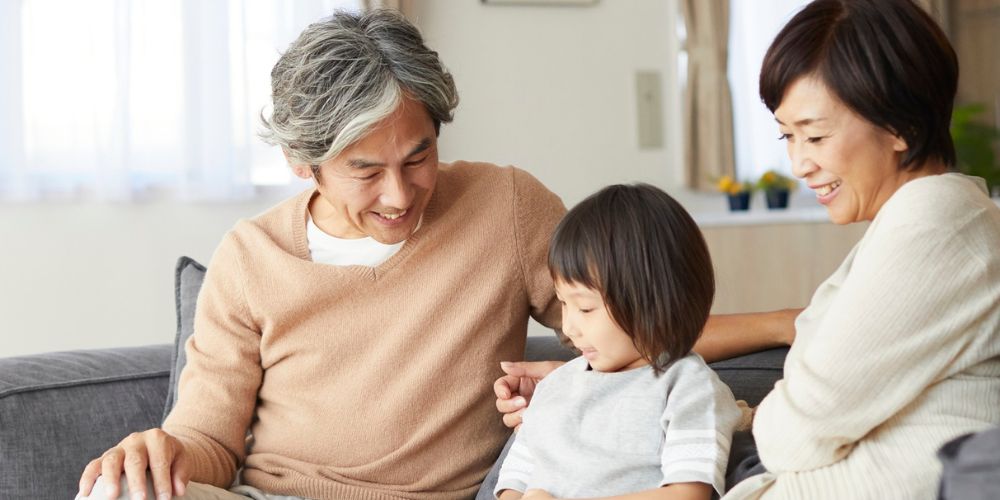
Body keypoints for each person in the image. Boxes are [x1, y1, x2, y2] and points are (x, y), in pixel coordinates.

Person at [496, 1, 1000, 498]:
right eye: (787, 136)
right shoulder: (917, 226)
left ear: (902, 127)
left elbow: (796, 433)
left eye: (816, 136)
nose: (798, 163)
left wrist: (761, 416)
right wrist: (589, 380)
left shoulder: (933, 231)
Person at [78, 9, 566, 500]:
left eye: (418, 159)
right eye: (366, 171)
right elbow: (209, 440)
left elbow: (628, 330)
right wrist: (159, 456)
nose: (399, 195)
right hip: (272, 495)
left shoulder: (507, 207)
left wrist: (577, 383)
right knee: (116, 492)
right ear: (300, 160)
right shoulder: (251, 257)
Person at [493, 184, 743, 500]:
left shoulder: (686, 386)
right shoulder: (554, 386)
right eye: (563, 303)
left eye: (585, 308)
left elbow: (688, 494)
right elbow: (513, 482)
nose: (569, 327)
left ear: (653, 302)